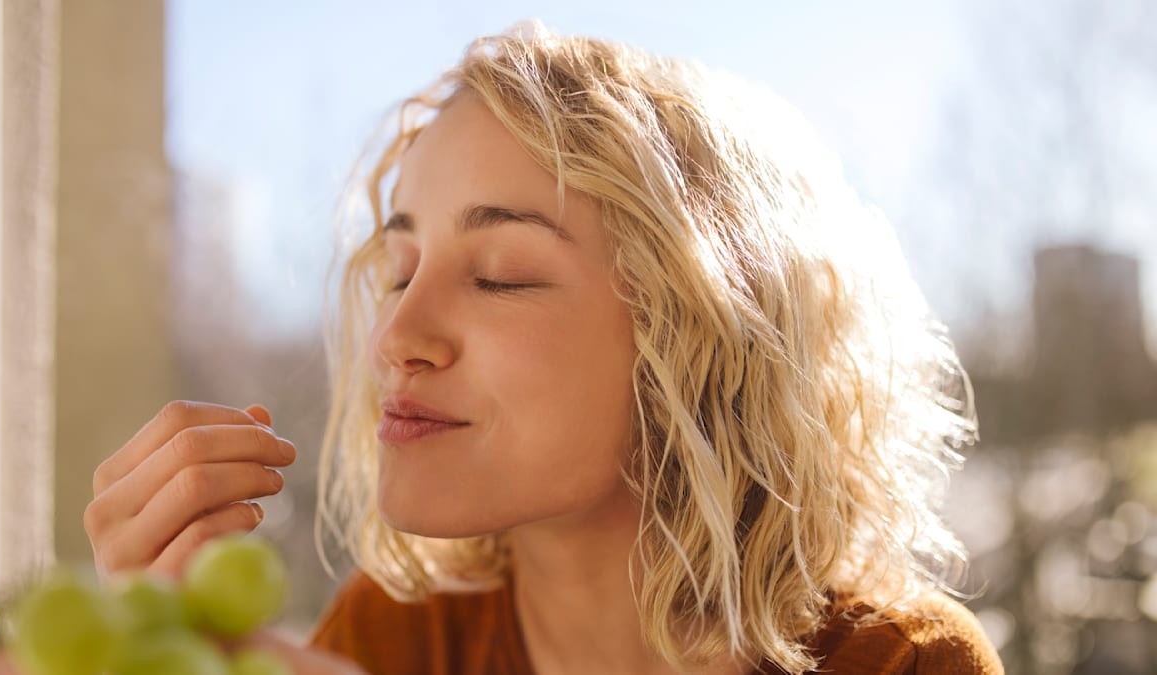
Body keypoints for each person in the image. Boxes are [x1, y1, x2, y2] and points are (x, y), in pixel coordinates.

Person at [76, 19, 1001, 675]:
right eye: (399, 272)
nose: (397, 338)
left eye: (501, 274)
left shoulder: (902, 664)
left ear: (699, 336)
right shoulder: (393, 639)